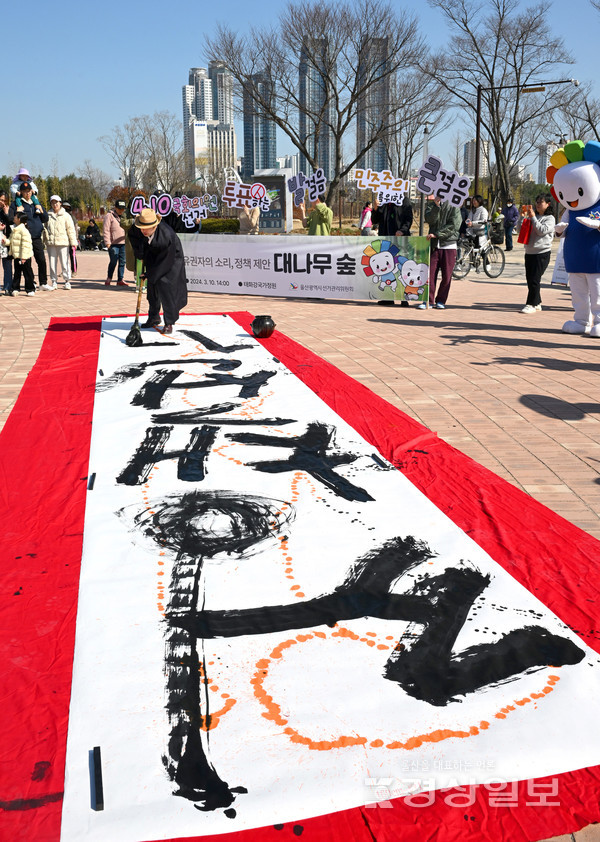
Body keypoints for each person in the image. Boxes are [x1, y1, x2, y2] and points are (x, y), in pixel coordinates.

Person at [128, 208, 188, 335]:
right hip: (152, 255)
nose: (143, 230)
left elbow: (165, 262)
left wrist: (150, 273)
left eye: (146, 228)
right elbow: (133, 236)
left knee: (167, 288)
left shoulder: (167, 236)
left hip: (171, 259)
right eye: (141, 227)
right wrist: (140, 252)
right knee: (152, 287)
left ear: (154, 226)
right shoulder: (137, 229)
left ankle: (169, 322)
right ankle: (154, 317)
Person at [419, 193, 462, 310]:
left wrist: (437, 234)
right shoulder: (432, 205)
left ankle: (441, 300)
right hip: (434, 245)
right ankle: (428, 300)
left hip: (449, 245)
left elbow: (454, 225)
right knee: (430, 274)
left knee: (446, 276)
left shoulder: (454, 205)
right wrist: (436, 206)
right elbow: (430, 220)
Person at [520, 194, 555, 314]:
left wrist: (533, 217)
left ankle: (531, 304)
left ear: (548, 204)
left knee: (535, 279)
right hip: (529, 251)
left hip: (542, 252)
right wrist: (523, 218)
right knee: (530, 279)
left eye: (541, 202)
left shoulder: (550, 218)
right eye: (537, 202)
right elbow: (521, 230)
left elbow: (541, 231)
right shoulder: (532, 216)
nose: (538, 204)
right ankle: (538, 301)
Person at [9, 182, 48, 288]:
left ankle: (43, 283)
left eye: (29, 191)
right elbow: (10, 219)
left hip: (36, 237)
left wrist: (41, 210)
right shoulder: (17, 203)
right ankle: (31, 284)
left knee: (41, 260)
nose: (28, 194)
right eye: (25, 192)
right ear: (21, 192)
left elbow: (45, 218)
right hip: (24, 239)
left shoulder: (35, 202)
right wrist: (17, 212)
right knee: (27, 264)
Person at [43, 195, 78, 290]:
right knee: (52, 263)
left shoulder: (66, 215)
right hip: (51, 243)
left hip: (63, 242)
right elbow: (44, 228)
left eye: (56, 202)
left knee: (64, 262)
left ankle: (67, 281)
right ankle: (54, 281)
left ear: (60, 203)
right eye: (53, 203)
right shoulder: (47, 215)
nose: (55, 205)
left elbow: (70, 229)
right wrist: (43, 240)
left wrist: (73, 242)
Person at [103, 199, 129, 286]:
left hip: (123, 243)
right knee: (113, 261)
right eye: (119, 209)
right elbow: (106, 230)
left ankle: (120, 279)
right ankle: (109, 277)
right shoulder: (109, 216)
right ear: (115, 208)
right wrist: (107, 242)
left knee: (122, 261)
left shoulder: (125, 216)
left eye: (123, 209)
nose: (121, 211)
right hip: (113, 243)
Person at [10, 213, 35, 296]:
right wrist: (5, 241)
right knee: (17, 273)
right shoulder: (15, 229)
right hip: (17, 256)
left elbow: (26, 245)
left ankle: (30, 289)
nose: (14, 218)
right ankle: (15, 288)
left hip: (25, 256)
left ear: (19, 219)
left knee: (27, 273)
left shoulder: (24, 230)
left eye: (15, 217)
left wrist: (24, 257)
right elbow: (11, 241)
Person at [0, 191, 14, 295]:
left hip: (7, 241)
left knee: (7, 264)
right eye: (1, 200)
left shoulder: (10, 209)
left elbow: (12, 223)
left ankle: (8, 286)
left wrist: (6, 213)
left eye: (5, 200)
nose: (3, 202)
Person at [62, 201, 79, 276]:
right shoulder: (61, 216)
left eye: (67, 208)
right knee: (64, 256)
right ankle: (65, 271)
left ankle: (74, 270)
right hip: (63, 239)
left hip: (71, 239)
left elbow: (75, 228)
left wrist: (75, 238)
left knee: (72, 255)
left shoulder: (72, 217)